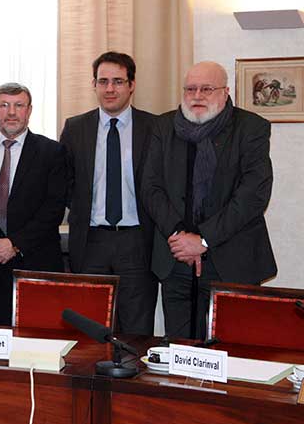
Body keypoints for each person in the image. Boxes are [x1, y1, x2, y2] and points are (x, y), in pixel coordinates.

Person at [142, 61, 276, 339]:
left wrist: (202, 240)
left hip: (232, 259)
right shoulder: (163, 127)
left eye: (207, 89)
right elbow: (151, 188)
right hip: (176, 257)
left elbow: (253, 194)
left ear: (226, 92)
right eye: (190, 89)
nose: (197, 96)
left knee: (235, 350)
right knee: (180, 352)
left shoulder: (251, 128)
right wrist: (182, 237)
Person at [59, 51, 158, 335]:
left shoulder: (154, 127)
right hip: (91, 241)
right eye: (103, 81)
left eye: (117, 81)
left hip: (137, 242)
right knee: (90, 325)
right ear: (94, 85)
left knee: (137, 327)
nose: (110, 89)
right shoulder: (75, 127)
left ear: (132, 85)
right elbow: (65, 181)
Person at [0, 83, 66, 325]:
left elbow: (53, 208)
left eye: (18, 105)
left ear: (29, 110)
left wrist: (15, 244)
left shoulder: (51, 152)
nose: (11, 112)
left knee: (39, 338)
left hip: (36, 261)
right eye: (3, 105)